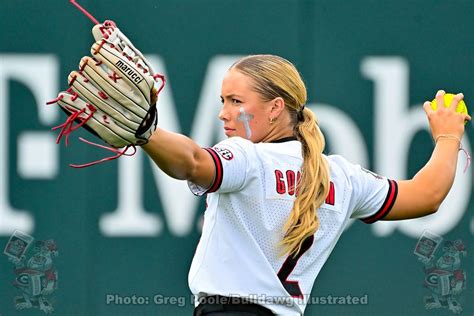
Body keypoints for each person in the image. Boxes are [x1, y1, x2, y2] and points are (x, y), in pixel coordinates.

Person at [141, 55, 470, 315]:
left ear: (275, 108)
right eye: (222, 100)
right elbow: (428, 195)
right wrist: (448, 136)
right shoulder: (340, 176)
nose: (223, 114)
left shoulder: (248, 158)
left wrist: (146, 131)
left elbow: (192, 163)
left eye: (235, 101)